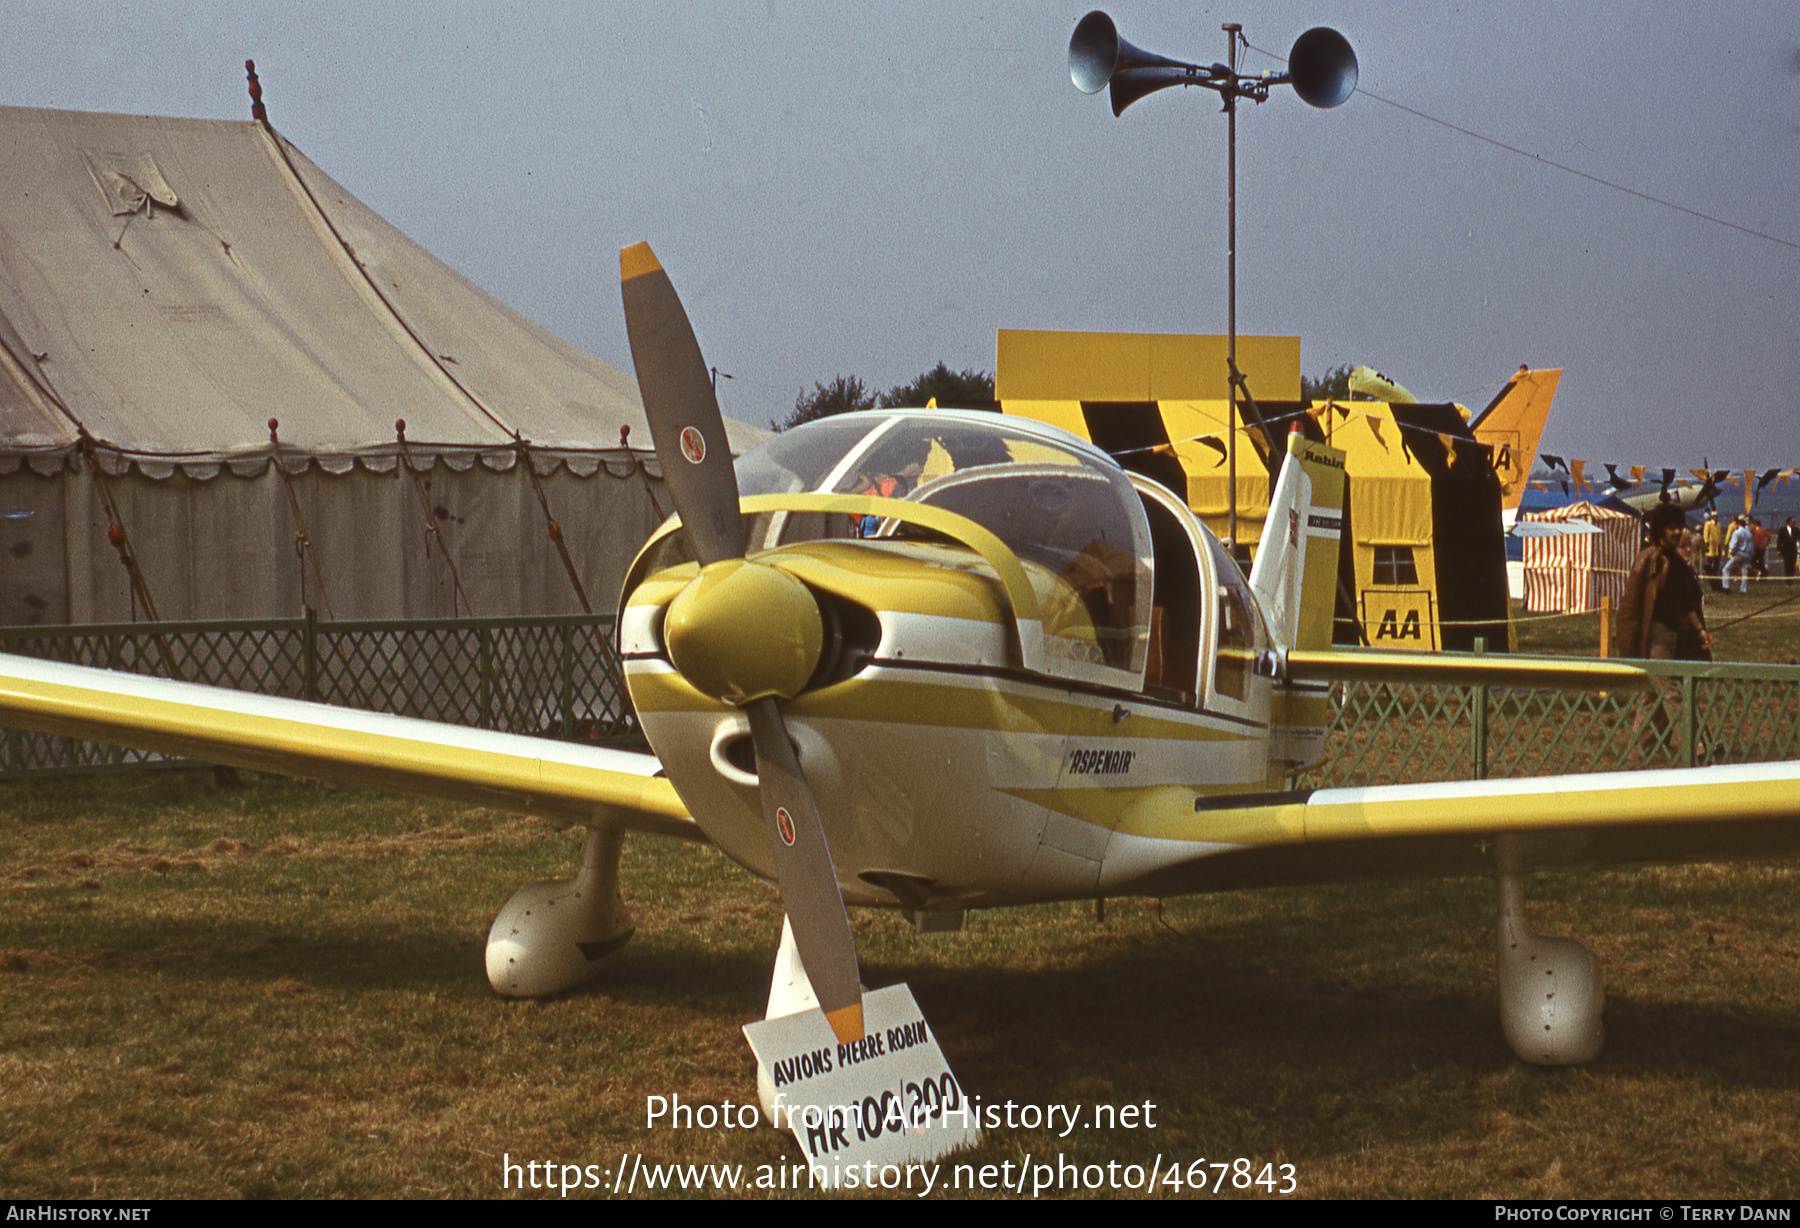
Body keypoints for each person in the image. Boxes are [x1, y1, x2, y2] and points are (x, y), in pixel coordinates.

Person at [1618, 504, 1713, 764]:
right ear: (1658, 530)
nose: (1676, 532)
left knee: (1652, 698)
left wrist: (1700, 630)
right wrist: (1629, 643)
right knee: (1671, 692)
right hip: (1656, 636)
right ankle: (1696, 749)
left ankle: (1638, 755)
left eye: (1678, 526)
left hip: (1677, 636)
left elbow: (1687, 605)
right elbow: (1630, 605)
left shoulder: (1679, 564)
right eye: (1670, 527)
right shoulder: (1648, 558)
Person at [1722, 515, 1754, 593]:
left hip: (1738, 554)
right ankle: (1743, 589)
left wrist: (1731, 552)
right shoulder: (1749, 533)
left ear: (1739, 524)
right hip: (1746, 554)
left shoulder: (1737, 532)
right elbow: (1751, 546)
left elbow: (1733, 544)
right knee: (1744, 572)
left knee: (1726, 569)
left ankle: (1726, 587)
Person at [1780, 516, 1798, 581]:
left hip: (1793, 550)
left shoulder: (1796, 530)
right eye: (1792, 521)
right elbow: (1779, 540)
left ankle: (1791, 578)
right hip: (1786, 550)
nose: (1793, 523)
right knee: (1787, 564)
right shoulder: (1782, 530)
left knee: (1793, 564)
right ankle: (1787, 579)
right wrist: (1779, 550)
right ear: (1788, 522)